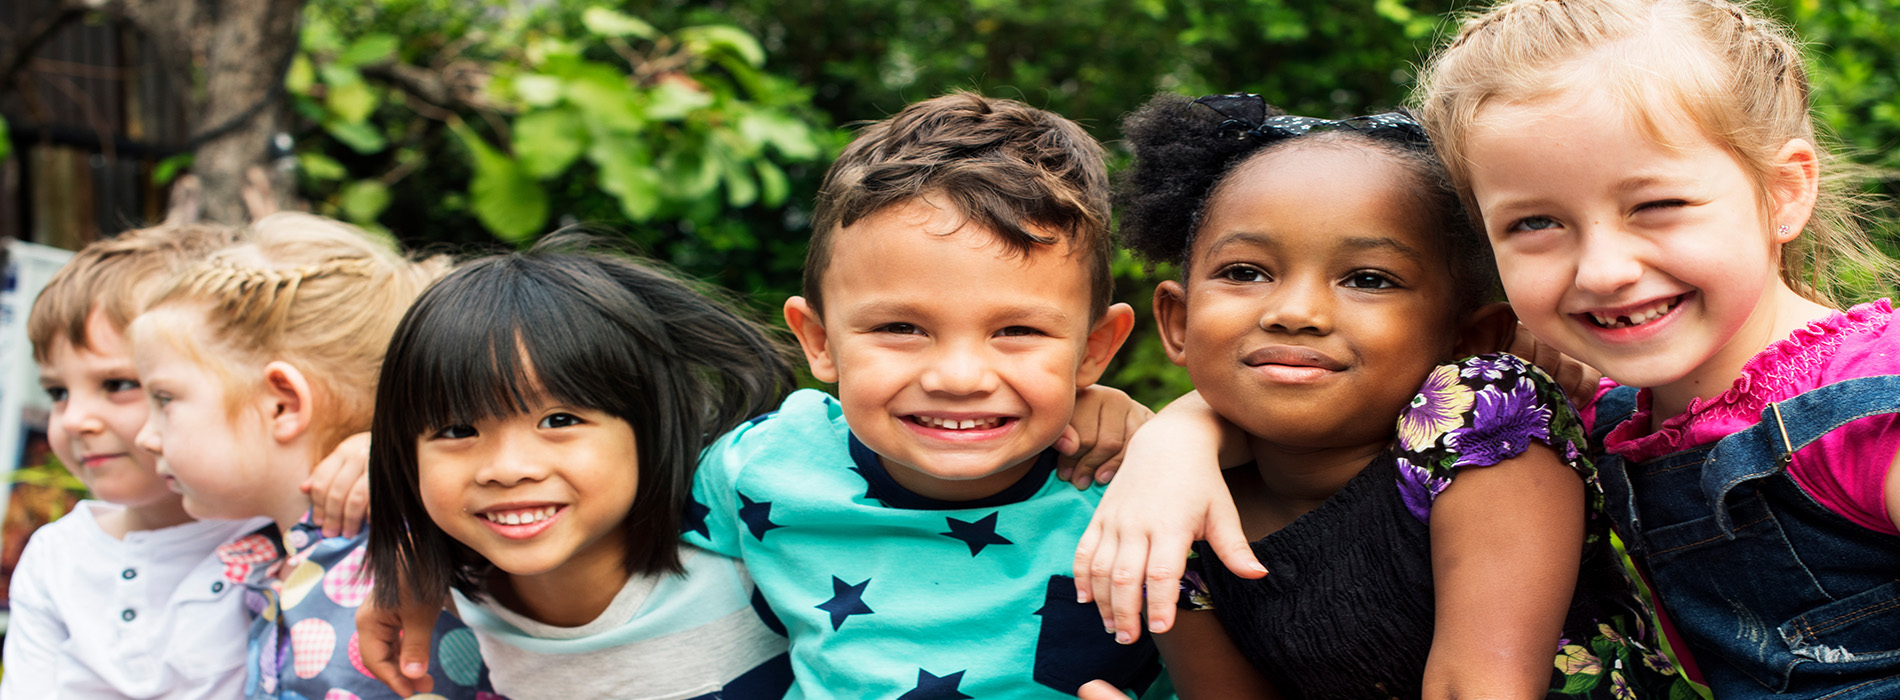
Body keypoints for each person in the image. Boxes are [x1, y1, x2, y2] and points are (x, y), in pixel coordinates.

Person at [1079, 0, 1900, 697]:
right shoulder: (1614, 411)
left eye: (1657, 204)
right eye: (1535, 224)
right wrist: (1178, 437)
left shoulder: (1866, 404)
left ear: (1785, 191)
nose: (1604, 270)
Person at [1091, 92, 1689, 699]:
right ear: (1175, 321)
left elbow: (1477, 687)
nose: (1295, 312)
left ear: (1469, 336)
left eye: (1369, 280)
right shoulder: (1169, 516)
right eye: (1246, 272)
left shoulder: (1481, 417)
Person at [363, 238, 797, 700]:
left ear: (648, 425)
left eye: (560, 420)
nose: (506, 470)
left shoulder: (754, 544)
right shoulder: (458, 601)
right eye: (457, 430)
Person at [126, 213, 493, 700]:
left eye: (165, 400)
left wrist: (392, 456)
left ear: (284, 403)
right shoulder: (271, 558)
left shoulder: (418, 541)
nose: (145, 436)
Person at [4, 221, 373, 700]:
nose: (75, 419)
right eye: (56, 391)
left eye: (118, 384)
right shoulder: (55, 557)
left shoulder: (292, 529)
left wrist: (382, 450)